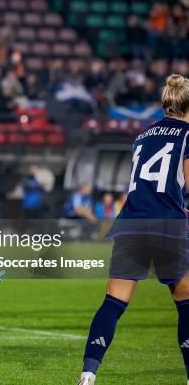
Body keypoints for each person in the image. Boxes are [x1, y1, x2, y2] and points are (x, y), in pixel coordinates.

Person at [77, 74, 189, 385]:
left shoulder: (141, 136)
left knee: (113, 302)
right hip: (166, 224)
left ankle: (88, 375)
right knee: (186, 301)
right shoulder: (188, 134)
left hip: (131, 223)